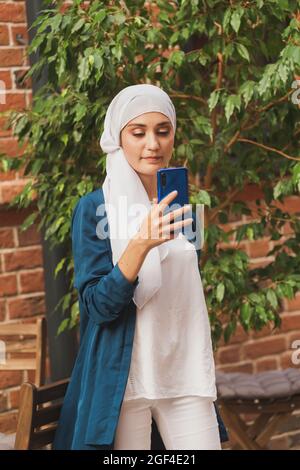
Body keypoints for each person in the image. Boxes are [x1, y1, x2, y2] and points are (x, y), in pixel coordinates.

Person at [53, 84, 228, 450]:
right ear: (119, 138)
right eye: (139, 132)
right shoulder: (95, 208)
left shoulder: (181, 207)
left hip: (185, 373)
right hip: (125, 380)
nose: (153, 143)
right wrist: (141, 242)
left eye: (163, 131)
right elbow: (98, 306)